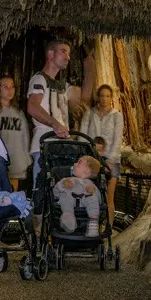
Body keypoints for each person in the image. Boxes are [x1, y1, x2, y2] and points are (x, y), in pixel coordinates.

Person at [26, 38, 95, 241]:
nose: (68, 57)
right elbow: (33, 107)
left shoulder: (61, 86)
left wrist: (88, 63)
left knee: (62, 188)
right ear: (50, 54)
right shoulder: (39, 79)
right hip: (44, 143)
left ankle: (57, 231)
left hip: (61, 146)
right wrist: (55, 124)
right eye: (63, 52)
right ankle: (36, 234)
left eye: (69, 53)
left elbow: (84, 96)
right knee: (41, 188)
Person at [80, 84, 123, 226]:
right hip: (93, 160)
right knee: (91, 194)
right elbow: (82, 137)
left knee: (109, 196)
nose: (104, 99)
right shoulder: (89, 114)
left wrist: (110, 160)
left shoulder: (117, 116)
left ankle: (109, 228)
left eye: (107, 96)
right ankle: (92, 226)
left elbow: (117, 139)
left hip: (112, 161)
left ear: (111, 98)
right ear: (98, 97)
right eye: (102, 96)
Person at [0, 76, 31, 190]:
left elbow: (25, 138)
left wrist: (26, 159)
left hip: (16, 163)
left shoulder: (19, 113)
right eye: (5, 87)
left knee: (13, 195)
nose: (10, 90)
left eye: (12, 87)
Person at [50, 156, 102, 237]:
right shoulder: (68, 179)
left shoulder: (91, 184)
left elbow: (99, 200)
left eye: (79, 162)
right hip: (69, 204)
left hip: (84, 205)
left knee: (92, 197)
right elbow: (55, 193)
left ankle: (93, 222)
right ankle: (68, 219)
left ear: (87, 170)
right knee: (65, 196)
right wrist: (63, 184)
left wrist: (92, 191)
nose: (74, 164)